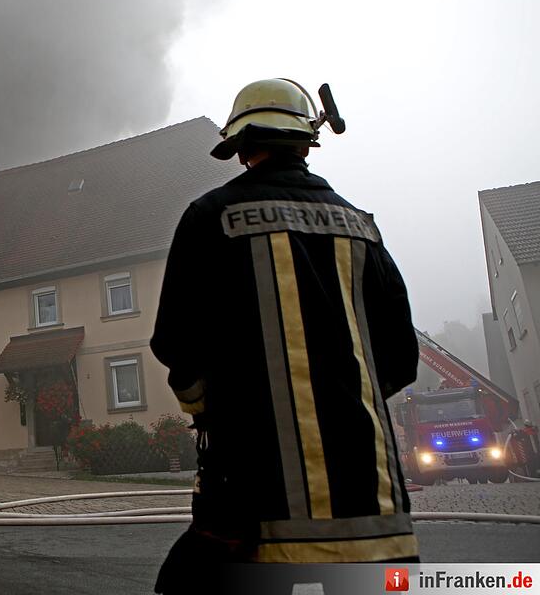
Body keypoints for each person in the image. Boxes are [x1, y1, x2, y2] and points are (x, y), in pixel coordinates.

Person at [150, 79, 420, 590]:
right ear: (306, 143)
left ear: (242, 147)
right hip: (379, 526)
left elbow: (175, 347)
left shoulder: (210, 218)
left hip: (253, 522)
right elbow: (402, 360)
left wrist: (210, 409)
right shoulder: (362, 227)